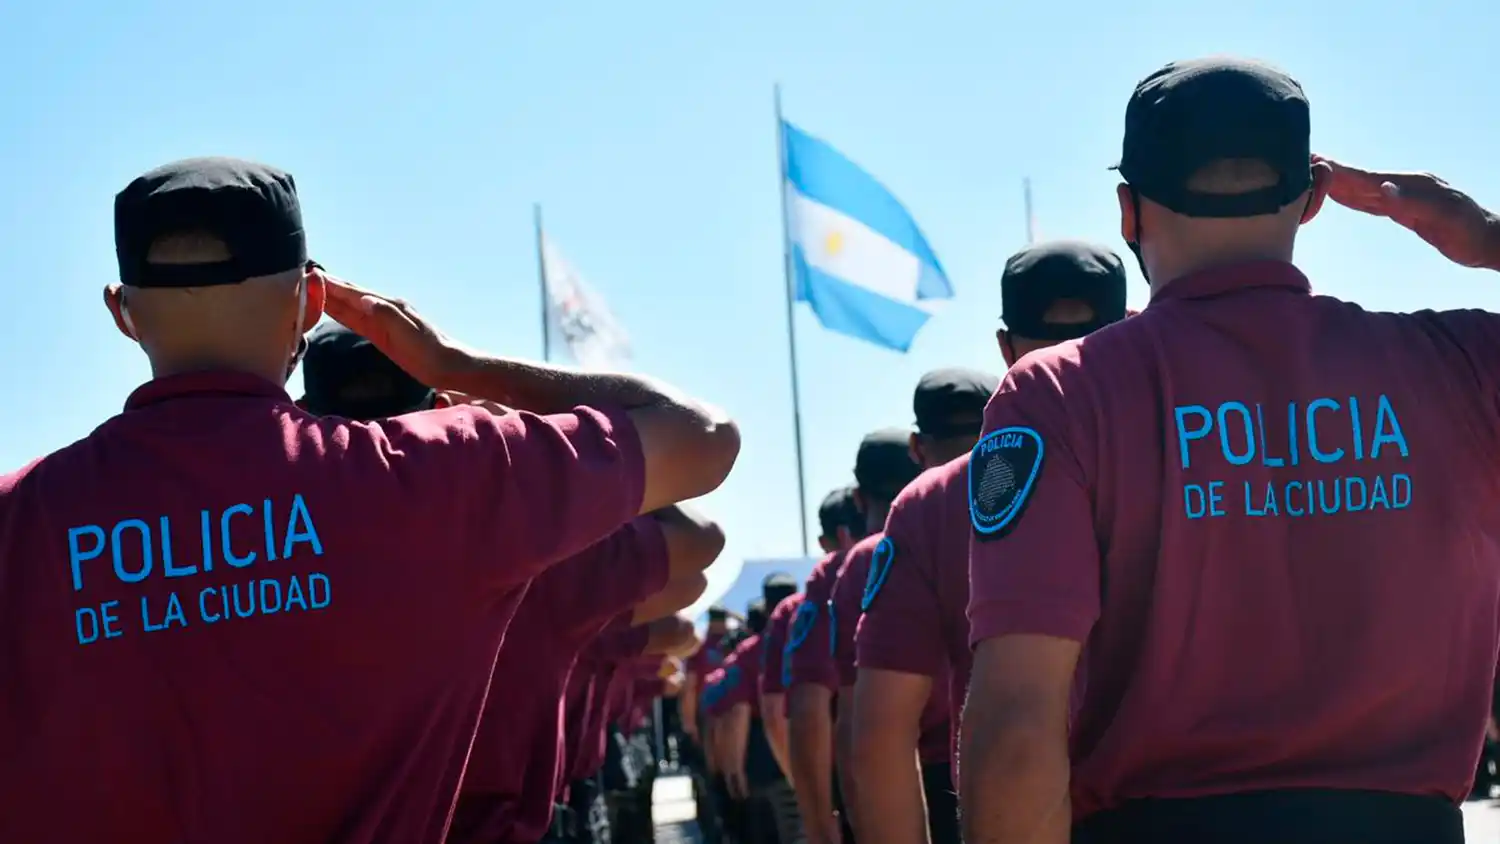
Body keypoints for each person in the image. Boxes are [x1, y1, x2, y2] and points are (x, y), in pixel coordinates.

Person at [0, 157, 740, 843]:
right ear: (310, 301)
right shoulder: (441, 480)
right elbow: (704, 438)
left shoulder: (19, 518)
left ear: (122, 311)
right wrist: (460, 365)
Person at [962, 56, 1500, 844]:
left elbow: (1017, 724)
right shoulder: (1461, 363)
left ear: (1127, 212)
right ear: (1314, 200)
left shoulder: (1061, 394)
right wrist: (1486, 238)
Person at [294, 323, 728, 844]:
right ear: (441, 406)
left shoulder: (273, 544)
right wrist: (536, 431)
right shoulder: (531, 545)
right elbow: (699, 529)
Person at [852, 247, 1126, 844]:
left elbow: (878, 731)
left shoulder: (931, 505)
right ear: (1130, 323)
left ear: (1005, 347)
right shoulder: (1201, 458)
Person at [789, 437, 918, 844]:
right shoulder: (988, 532)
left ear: (860, 499)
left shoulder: (841, 572)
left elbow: (810, 711)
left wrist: (818, 818)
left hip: (887, 794)